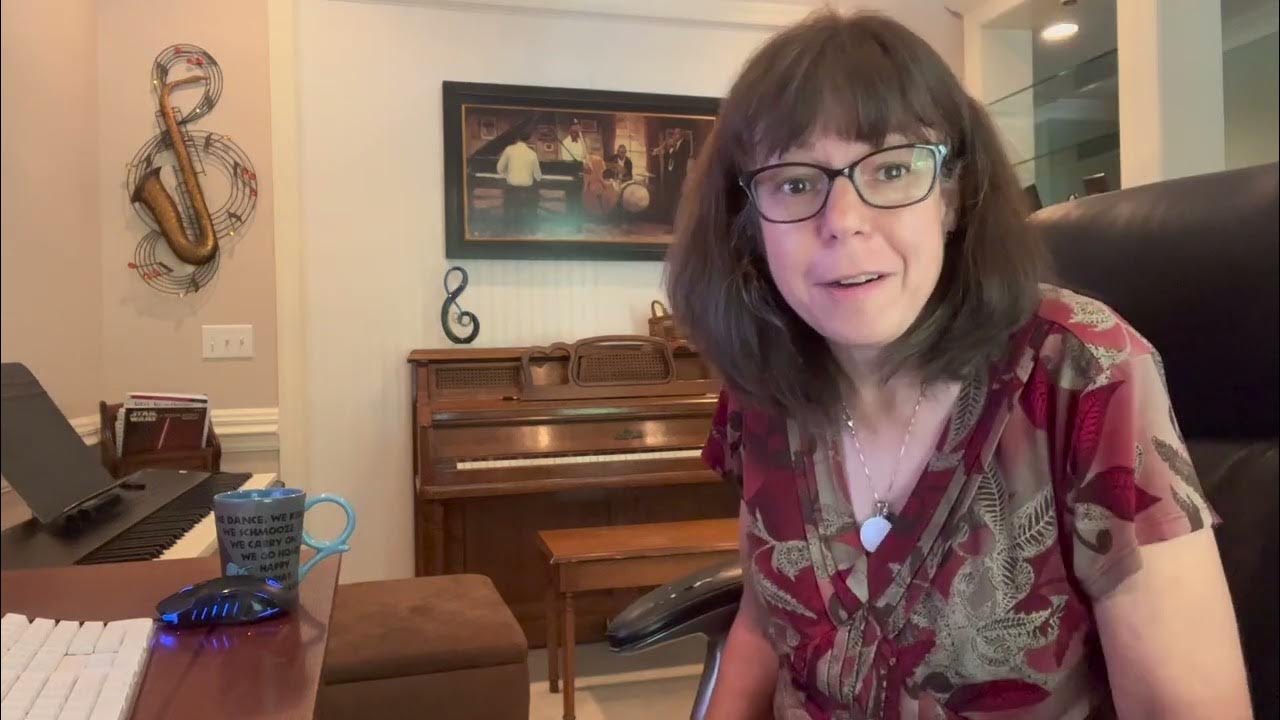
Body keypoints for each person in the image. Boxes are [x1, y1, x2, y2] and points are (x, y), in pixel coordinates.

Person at [665, 11, 1251, 720]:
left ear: (951, 195)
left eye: (890, 169)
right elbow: (769, 615)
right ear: (748, 220)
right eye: (794, 182)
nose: (843, 219)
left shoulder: (1085, 371)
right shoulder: (766, 378)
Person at [495, 127, 541, 235]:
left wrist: (508, 173)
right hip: (527, 191)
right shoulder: (532, 154)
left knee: (509, 194)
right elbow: (538, 175)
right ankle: (531, 228)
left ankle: (508, 227)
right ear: (529, 140)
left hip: (512, 190)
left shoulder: (509, 150)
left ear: (517, 138)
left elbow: (499, 169)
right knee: (535, 194)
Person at [560, 119, 589, 230]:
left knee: (579, 199)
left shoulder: (581, 142)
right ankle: (569, 222)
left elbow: (584, 156)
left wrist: (585, 164)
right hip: (570, 173)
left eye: (577, 132)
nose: (575, 133)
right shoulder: (565, 143)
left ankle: (578, 224)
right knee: (570, 199)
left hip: (580, 173)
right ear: (569, 131)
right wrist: (578, 163)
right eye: (573, 131)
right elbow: (565, 159)